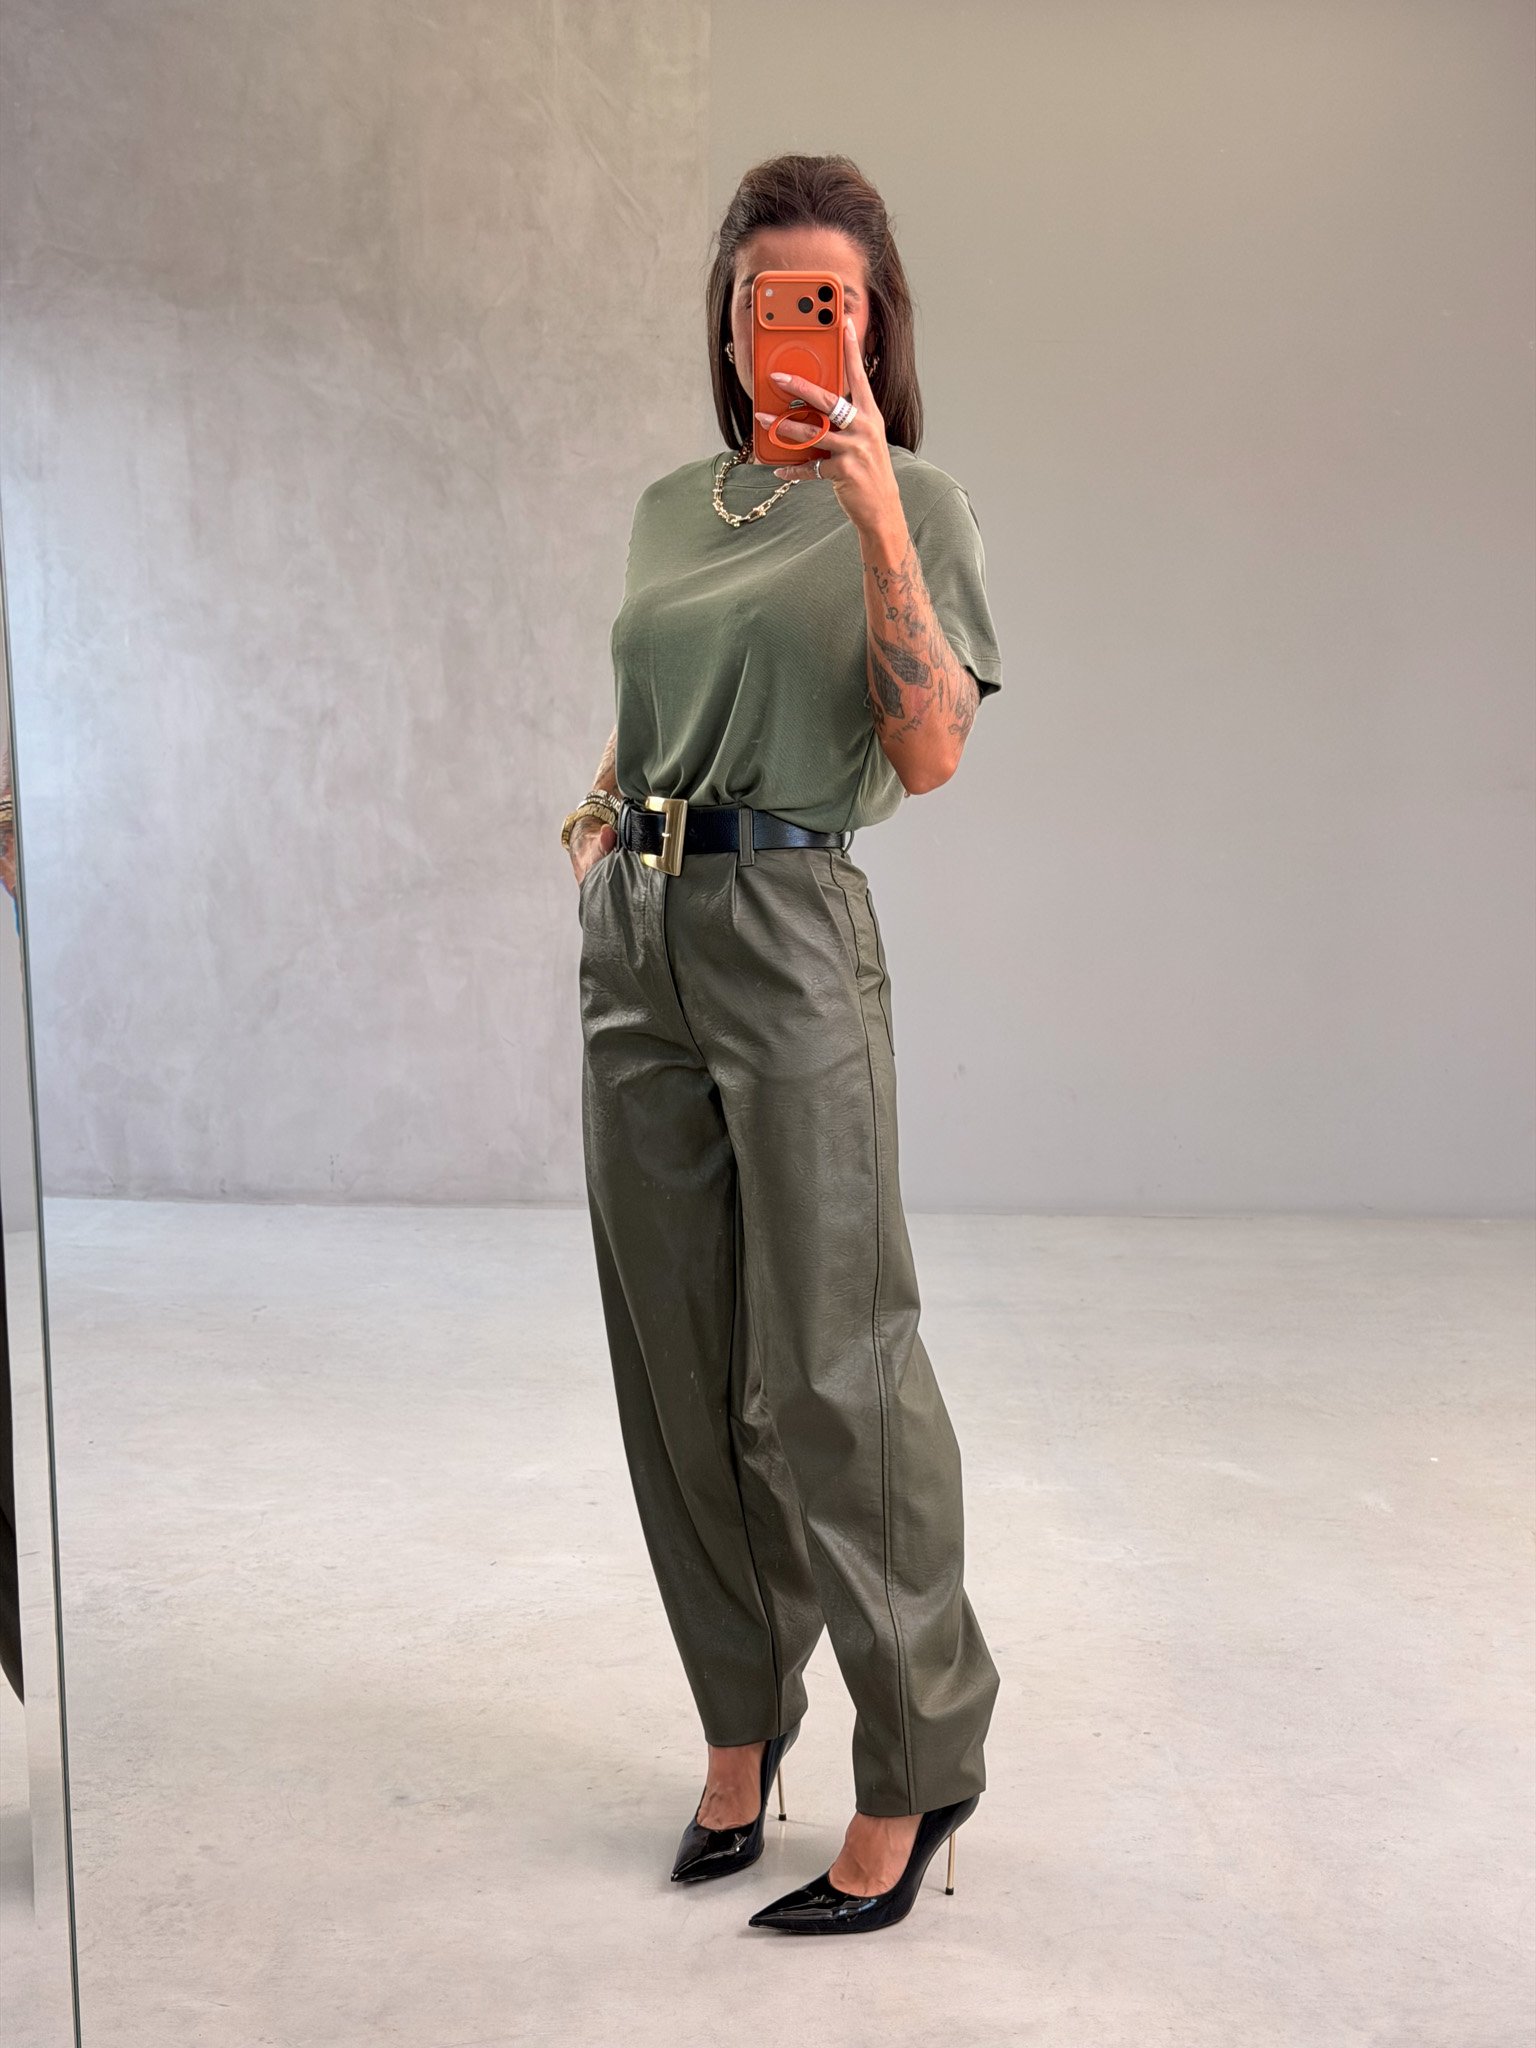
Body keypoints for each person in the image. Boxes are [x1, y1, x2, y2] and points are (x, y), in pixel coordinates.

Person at [560, 153, 1003, 1937]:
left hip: (792, 928)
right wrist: (598, 822)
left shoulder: (922, 502)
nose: (797, 328)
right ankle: (739, 1728)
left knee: (833, 1365)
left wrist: (877, 512)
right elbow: (652, 700)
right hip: (638, 938)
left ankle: (918, 1760)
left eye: (833, 301)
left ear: (875, 327)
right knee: (678, 1363)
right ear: (729, 325)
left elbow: (933, 752)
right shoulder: (673, 507)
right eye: (769, 301)